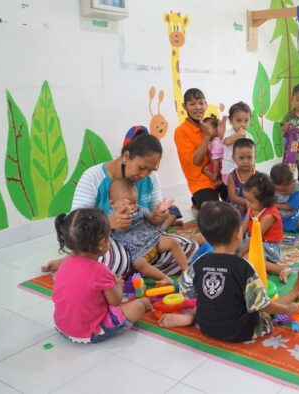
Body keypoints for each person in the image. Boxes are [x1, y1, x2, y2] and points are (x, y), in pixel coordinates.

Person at [42, 130, 198, 277]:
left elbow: (155, 223)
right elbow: (76, 226)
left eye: (150, 170)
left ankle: (136, 268)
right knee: (116, 263)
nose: (144, 175)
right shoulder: (93, 177)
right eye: (141, 168)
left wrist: (159, 216)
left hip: (144, 240)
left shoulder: (151, 178)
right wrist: (109, 223)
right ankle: (80, 262)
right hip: (109, 240)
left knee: (189, 248)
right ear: (126, 156)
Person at [158, 202, 299, 343]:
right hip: (241, 331)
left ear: (205, 237)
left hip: (206, 326)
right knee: (265, 310)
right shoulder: (244, 267)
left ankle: (190, 317)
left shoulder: (199, 263)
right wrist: (288, 309)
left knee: (209, 295)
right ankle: (295, 292)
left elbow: (187, 293)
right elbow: (263, 306)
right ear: (238, 234)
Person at [52, 208, 152, 344]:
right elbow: (115, 301)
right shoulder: (100, 270)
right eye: (109, 237)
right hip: (89, 332)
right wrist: (117, 285)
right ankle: (141, 304)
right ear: (101, 243)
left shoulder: (65, 263)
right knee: (139, 305)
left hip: (62, 325)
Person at [108, 179, 190, 283]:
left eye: (135, 202)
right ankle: (165, 278)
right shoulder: (111, 217)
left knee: (172, 242)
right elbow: (108, 230)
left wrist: (158, 212)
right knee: (139, 264)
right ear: (112, 203)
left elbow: (150, 217)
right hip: (138, 251)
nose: (133, 206)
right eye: (128, 203)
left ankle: (186, 269)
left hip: (154, 240)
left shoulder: (139, 209)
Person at [174, 88, 225, 209]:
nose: (198, 107)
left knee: (245, 192)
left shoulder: (210, 124)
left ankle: (198, 200)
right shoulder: (181, 131)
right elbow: (196, 161)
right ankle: (198, 198)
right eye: (192, 104)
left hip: (220, 175)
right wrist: (207, 137)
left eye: (201, 103)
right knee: (214, 211)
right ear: (184, 106)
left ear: (206, 104)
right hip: (200, 181)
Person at [238, 173, 293, 282]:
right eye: (246, 199)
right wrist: (236, 242)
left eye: (251, 201)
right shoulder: (252, 208)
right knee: (229, 246)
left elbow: (255, 239)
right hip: (252, 241)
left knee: (246, 258)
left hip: (268, 246)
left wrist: (240, 255)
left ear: (265, 200)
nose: (247, 203)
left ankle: (280, 269)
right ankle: (260, 269)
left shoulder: (269, 215)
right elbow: (243, 229)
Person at [221, 102, 252, 186]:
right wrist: (238, 134)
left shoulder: (249, 135)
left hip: (243, 169)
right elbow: (226, 142)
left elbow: (252, 152)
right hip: (229, 170)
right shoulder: (229, 133)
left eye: (246, 120)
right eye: (238, 120)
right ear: (231, 120)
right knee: (236, 188)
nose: (242, 124)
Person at [227, 138, 256, 215]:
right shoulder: (232, 176)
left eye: (249, 157)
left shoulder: (258, 175)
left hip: (254, 205)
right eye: (241, 158)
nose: (245, 161)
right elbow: (232, 197)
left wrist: (254, 204)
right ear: (234, 158)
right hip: (237, 205)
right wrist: (246, 202)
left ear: (255, 157)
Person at [202, 115, 224, 189]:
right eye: (203, 129)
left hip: (219, 164)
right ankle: (220, 179)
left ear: (216, 130)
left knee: (205, 169)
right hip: (218, 164)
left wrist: (215, 173)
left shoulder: (216, 142)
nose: (205, 131)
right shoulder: (212, 141)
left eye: (207, 128)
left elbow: (216, 160)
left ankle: (217, 179)